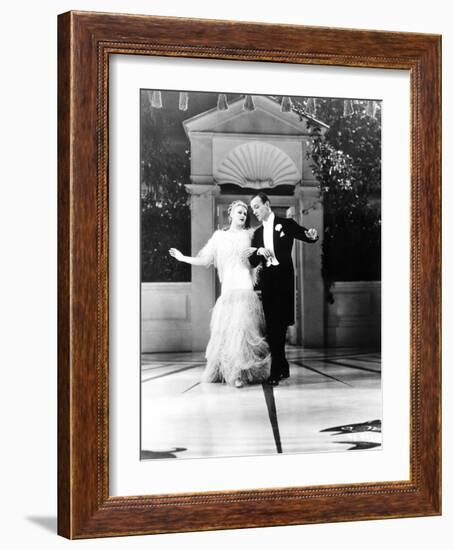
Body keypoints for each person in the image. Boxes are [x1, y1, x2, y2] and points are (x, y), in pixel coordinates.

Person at [169, 200, 270, 388]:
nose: (243, 215)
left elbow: (261, 256)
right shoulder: (218, 237)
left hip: (245, 289)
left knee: (241, 332)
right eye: (239, 212)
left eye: (245, 213)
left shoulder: (250, 235)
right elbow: (206, 259)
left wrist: (256, 251)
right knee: (227, 334)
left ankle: (238, 374)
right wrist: (183, 258)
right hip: (228, 291)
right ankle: (225, 371)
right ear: (230, 213)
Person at [249, 192, 319, 386]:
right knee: (273, 327)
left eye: (257, 206)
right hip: (268, 283)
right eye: (252, 208)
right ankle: (280, 367)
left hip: (285, 281)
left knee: (279, 326)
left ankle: (278, 368)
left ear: (267, 205)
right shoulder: (257, 234)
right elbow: (252, 261)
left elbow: (306, 235)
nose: (254, 211)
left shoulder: (285, 224)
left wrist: (313, 235)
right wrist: (258, 251)